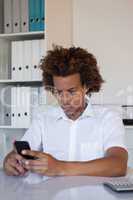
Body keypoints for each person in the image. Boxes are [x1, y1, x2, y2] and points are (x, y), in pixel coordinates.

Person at [3, 46, 128, 177]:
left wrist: (59, 167)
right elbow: (21, 154)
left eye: (71, 91)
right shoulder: (43, 119)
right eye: (58, 92)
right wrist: (9, 161)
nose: (64, 99)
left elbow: (118, 165)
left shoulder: (108, 118)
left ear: (86, 87)